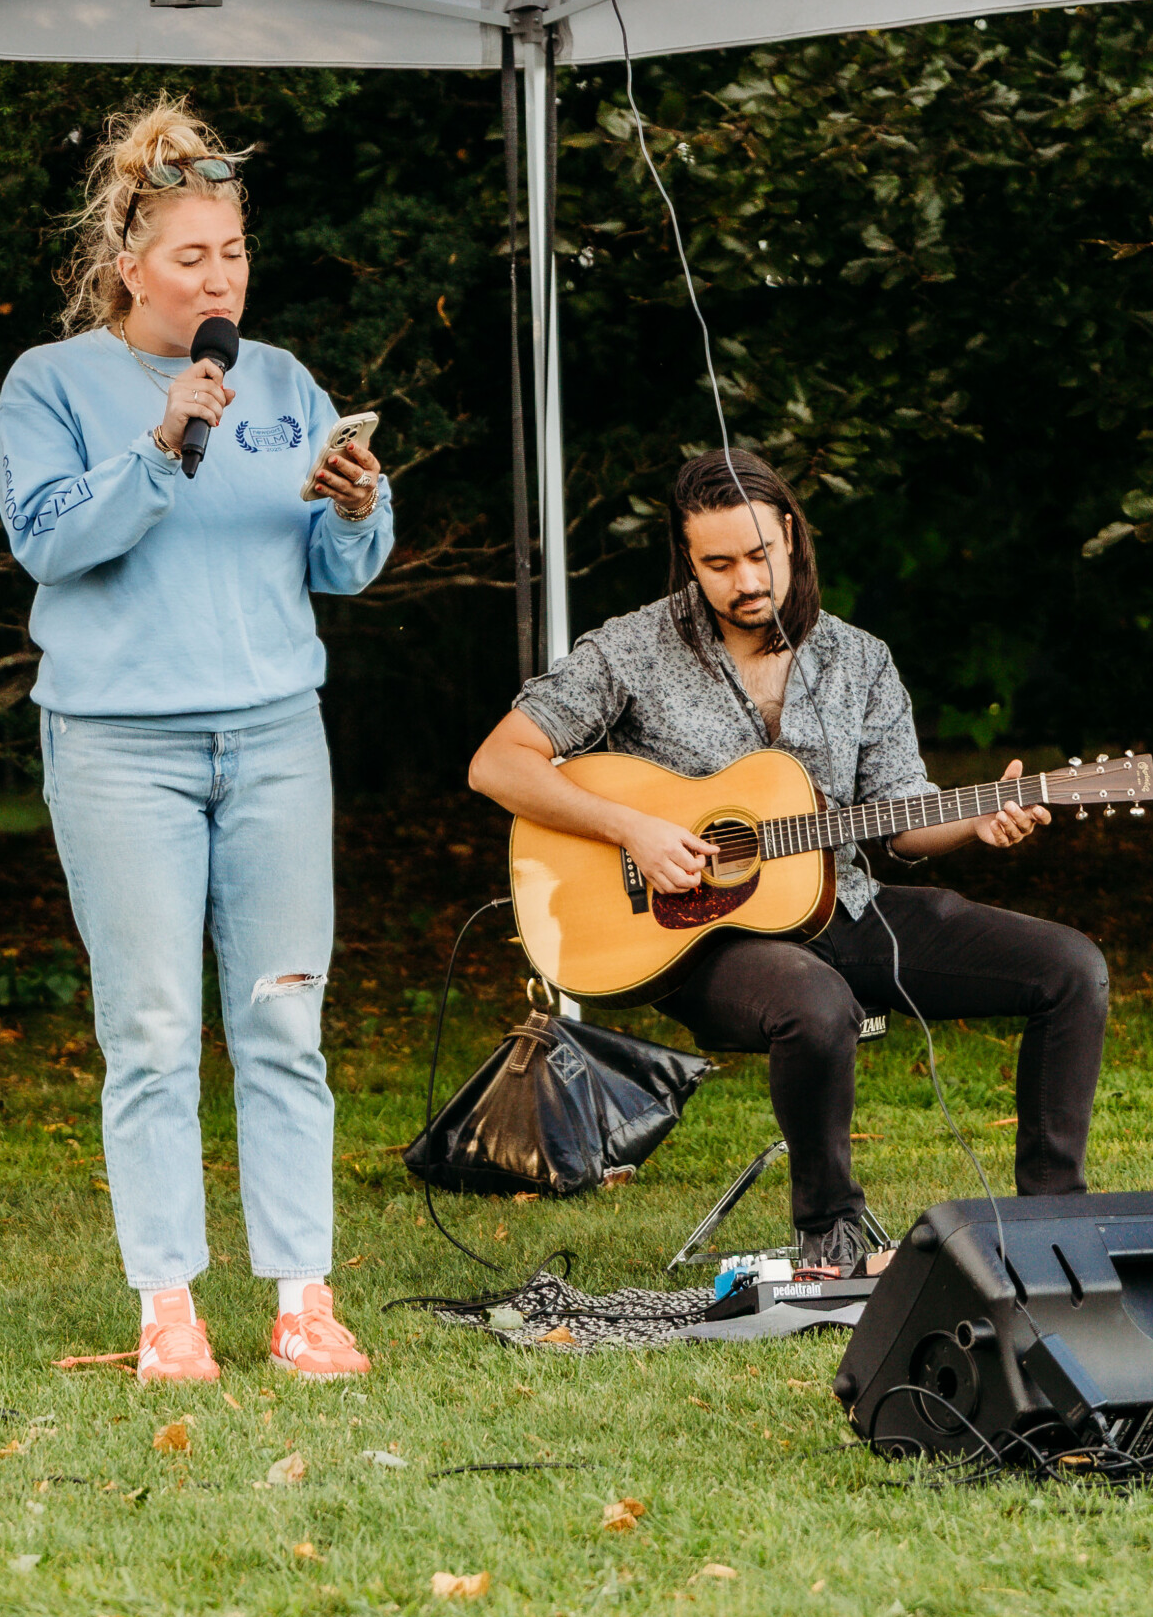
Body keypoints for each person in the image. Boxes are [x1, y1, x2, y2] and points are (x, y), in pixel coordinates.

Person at [467, 446, 1109, 1275]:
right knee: (815, 1001)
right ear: (687, 560)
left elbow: (900, 817)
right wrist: (632, 830)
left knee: (1069, 968)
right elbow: (499, 763)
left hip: (843, 904)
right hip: (701, 940)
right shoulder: (631, 650)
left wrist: (974, 822)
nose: (746, 580)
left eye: (759, 554)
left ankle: (1052, 1228)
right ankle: (829, 1231)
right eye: (718, 564)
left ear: (793, 537)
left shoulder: (859, 659)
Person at [0, 100, 394, 1384]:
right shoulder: (50, 383)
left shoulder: (283, 383)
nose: (220, 280)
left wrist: (356, 507)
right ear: (131, 268)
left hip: (274, 736)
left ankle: (303, 1300)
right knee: (154, 1030)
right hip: (121, 749)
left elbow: (338, 567)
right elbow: (51, 542)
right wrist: (163, 440)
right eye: (191, 257)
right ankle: (167, 1305)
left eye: (232, 253)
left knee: (284, 1021)